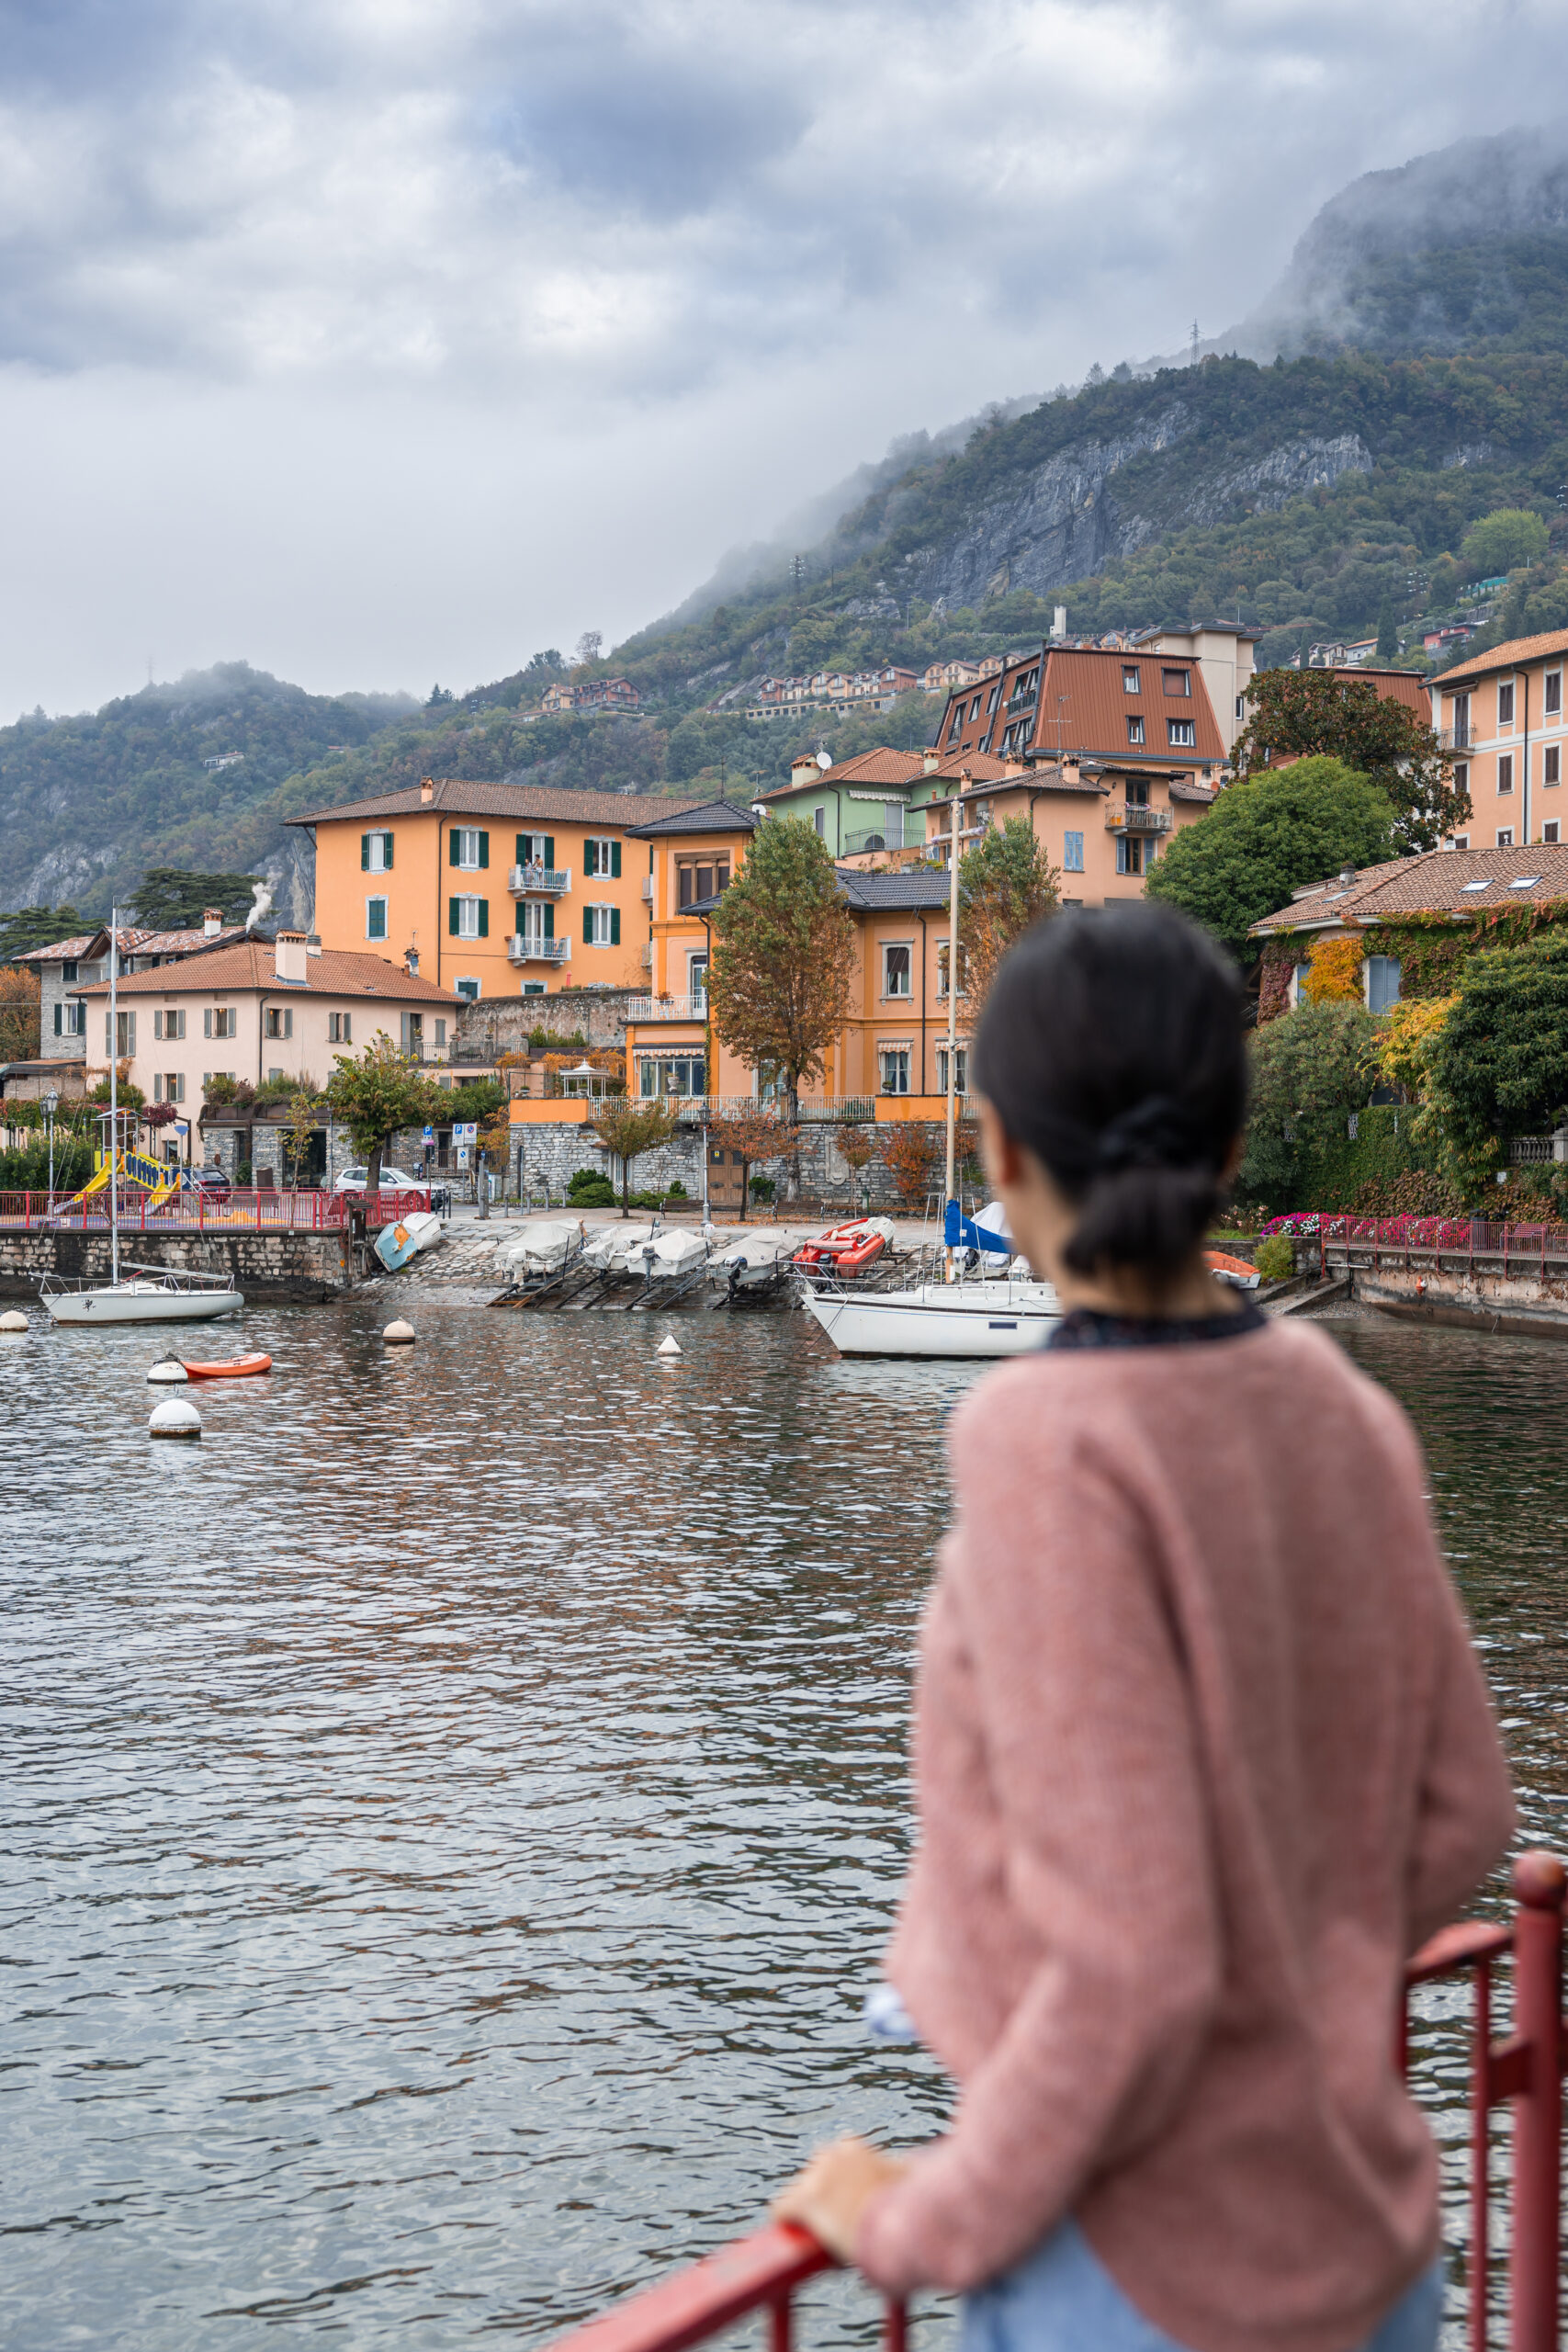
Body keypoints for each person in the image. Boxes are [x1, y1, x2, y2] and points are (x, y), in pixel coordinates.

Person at [774, 901, 1515, 2352]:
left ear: (998, 1153)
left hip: (1139, 2274)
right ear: (1231, 1151)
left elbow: (1132, 1960)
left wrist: (919, 2221)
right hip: (1363, 2243)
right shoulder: (1346, 1413)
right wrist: (1285, 1983)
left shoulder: (1049, 1441)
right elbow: (1466, 1811)